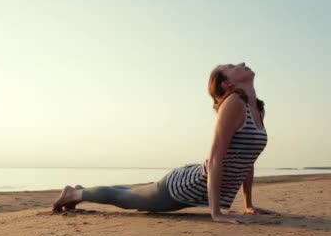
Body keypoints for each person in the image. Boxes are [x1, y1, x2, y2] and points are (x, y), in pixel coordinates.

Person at [52, 62, 278, 224]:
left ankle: (81, 190)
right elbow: (216, 159)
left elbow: (247, 160)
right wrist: (216, 212)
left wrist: (248, 205)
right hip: (185, 187)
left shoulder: (256, 108)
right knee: (126, 198)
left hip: (197, 182)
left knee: (132, 191)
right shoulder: (233, 104)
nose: (242, 63)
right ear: (227, 83)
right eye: (232, 66)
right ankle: (73, 194)